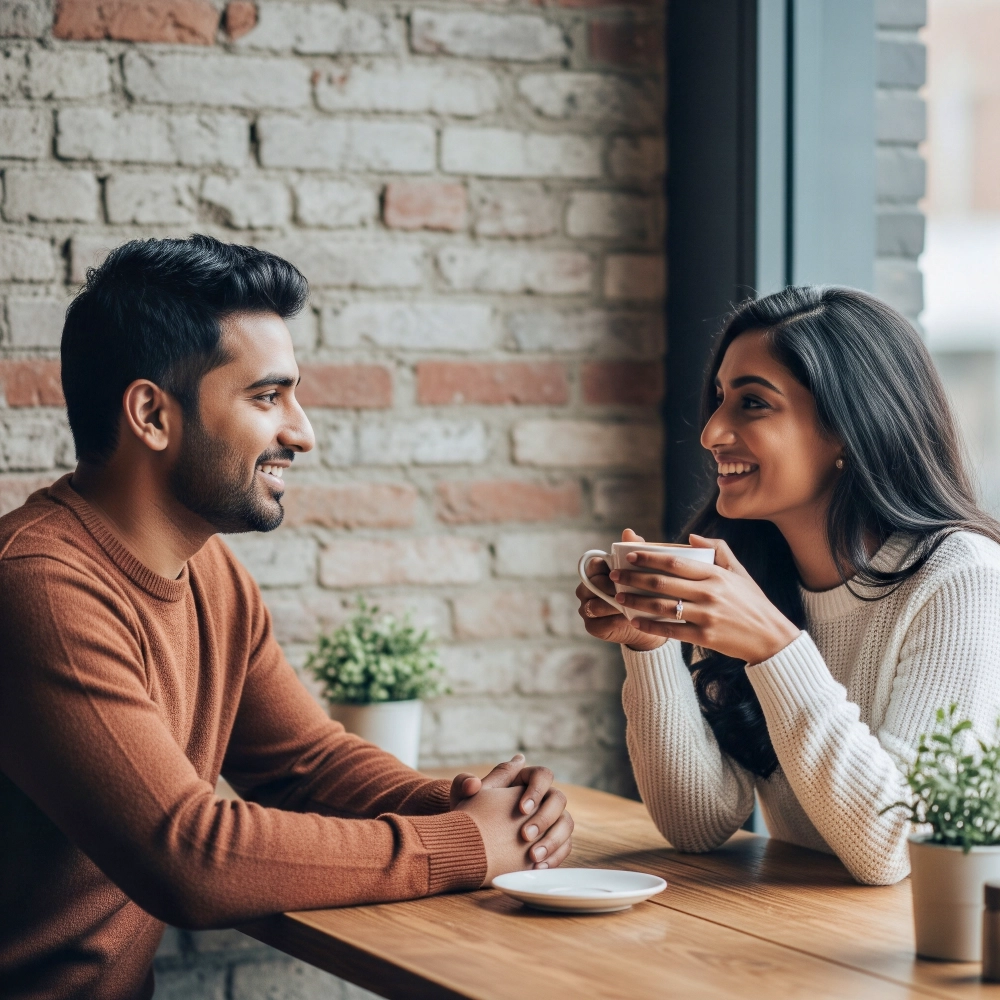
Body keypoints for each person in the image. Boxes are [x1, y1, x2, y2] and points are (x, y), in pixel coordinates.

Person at [0, 236, 573, 1000]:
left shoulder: (210, 573)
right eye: (267, 397)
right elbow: (189, 858)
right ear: (151, 414)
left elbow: (309, 765)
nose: (302, 433)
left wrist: (480, 809)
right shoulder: (35, 585)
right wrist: (465, 844)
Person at [577, 285, 1000, 887]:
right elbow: (696, 823)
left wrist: (775, 647)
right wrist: (650, 646)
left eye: (752, 403)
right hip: (803, 933)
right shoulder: (757, 571)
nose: (711, 432)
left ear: (850, 430)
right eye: (720, 398)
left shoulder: (962, 577)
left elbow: (898, 848)